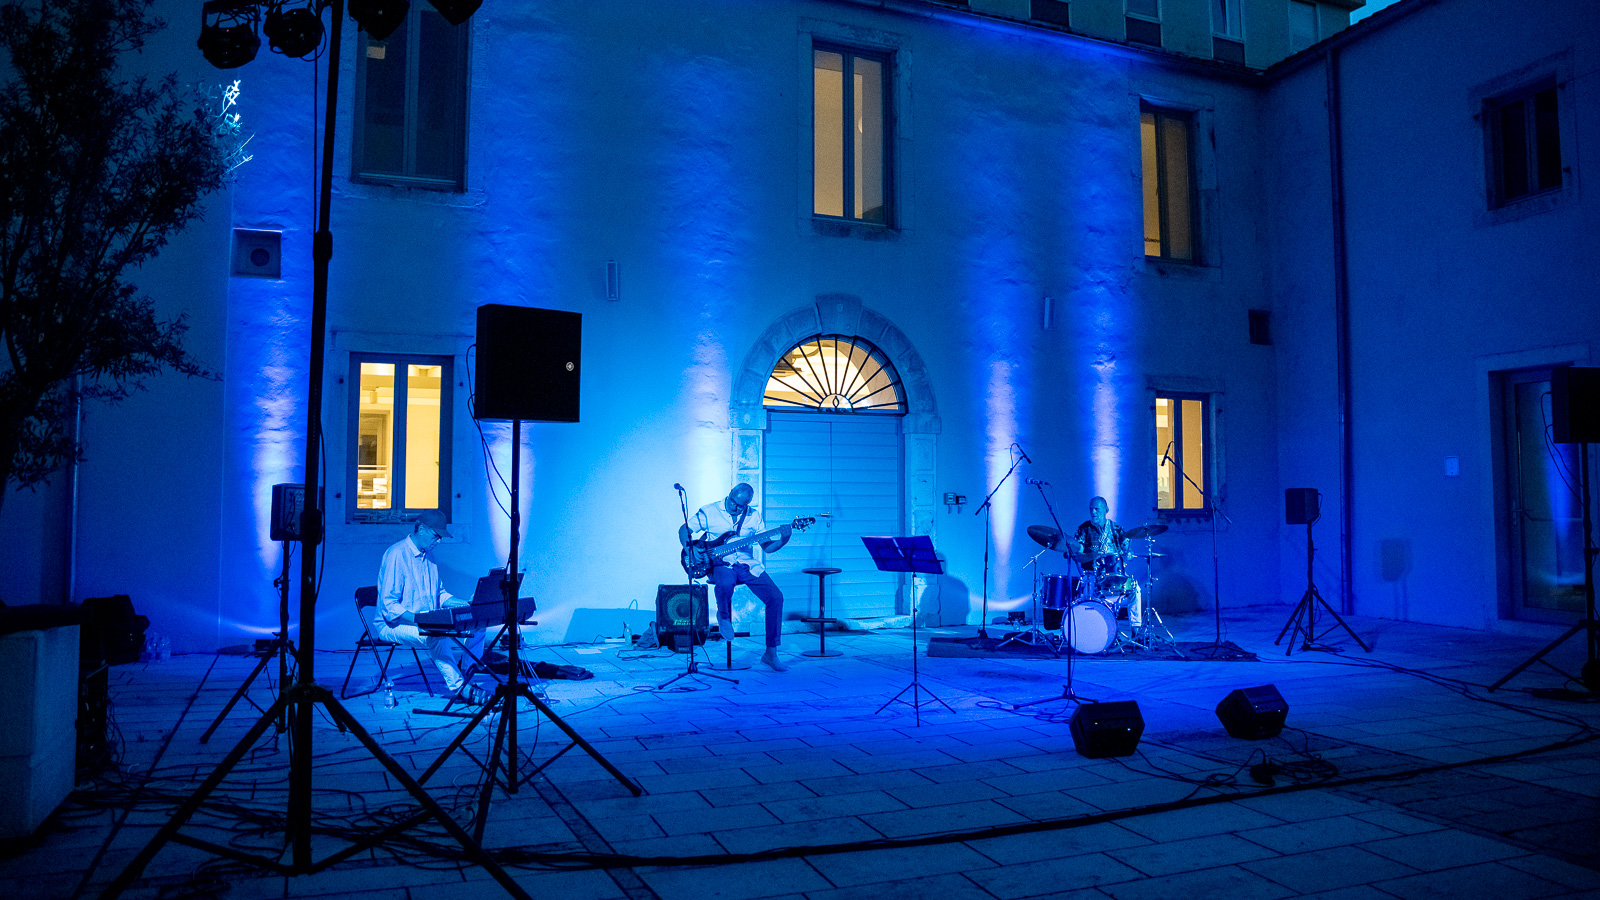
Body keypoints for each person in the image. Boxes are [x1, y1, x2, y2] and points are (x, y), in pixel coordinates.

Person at [374, 509, 487, 704]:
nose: (439, 541)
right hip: (393, 625)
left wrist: (466, 604)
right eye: (436, 535)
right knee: (435, 634)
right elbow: (389, 606)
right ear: (422, 529)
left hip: (424, 620)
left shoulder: (429, 556)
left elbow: (439, 595)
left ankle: (467, 675)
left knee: (478, 624)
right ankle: (460, 688)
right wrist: (422, 620)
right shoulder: (396, 554)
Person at [679, 483, 792, 672]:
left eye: (741, 506)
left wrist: (783, 540)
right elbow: (684, 529)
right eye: (733, 502)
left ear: (747, 504)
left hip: (747, 564)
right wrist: (689, 547)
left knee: (776, 597)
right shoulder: (710, 511)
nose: (735, 508)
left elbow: (767, 547)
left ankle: (771, 653)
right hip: (720, 563)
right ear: (730, 494)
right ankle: (723, 616)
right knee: (725, 581)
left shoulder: (754, 516)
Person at [1071, 496, 1142, 628]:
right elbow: (1079, 553)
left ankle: (1135, 629)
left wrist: (1128, 553)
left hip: (1116, 576)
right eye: (1091, 509)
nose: (1093, 512)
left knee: (1135, 589)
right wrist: (1088, 555)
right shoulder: (1084, 529)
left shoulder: (1116, 528)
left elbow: (1127, 550)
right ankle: (1096, 629)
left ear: (1106, 510)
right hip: (1092, 575)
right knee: (1089, 598)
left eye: (1097, 509)